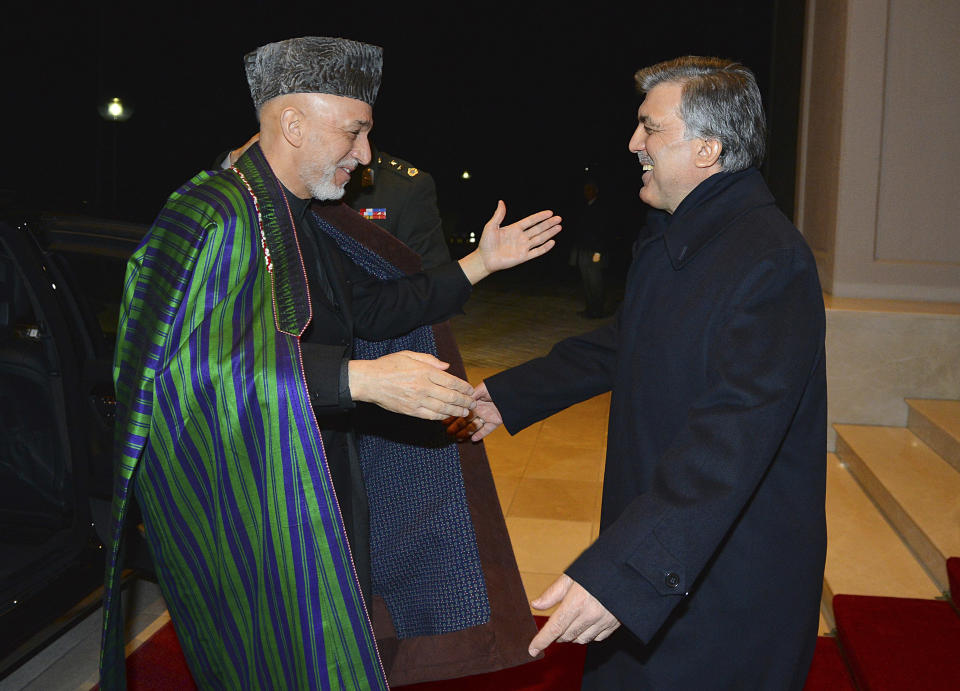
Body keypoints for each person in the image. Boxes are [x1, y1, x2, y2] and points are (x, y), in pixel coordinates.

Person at [99, 36, 561, 690]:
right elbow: (187, 373)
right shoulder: (213, 214)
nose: (366, 153)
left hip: (321, 478)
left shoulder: (303, 214)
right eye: (355, 131)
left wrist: (480, 263)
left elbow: (366, 310)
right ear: (293, 123)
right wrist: (359, 378)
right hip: (256, 503)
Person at [453, 55, 827, 689]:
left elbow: (730, 444)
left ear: (708, 148)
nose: (633, 144)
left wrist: (626, 573)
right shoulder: (671, 235)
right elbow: (624, 344)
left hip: (720, 566)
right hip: (660, 531)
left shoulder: (771, 261)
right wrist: (506, 397)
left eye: (649, 128)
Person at [221, 138, 452, 270]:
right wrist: (236, 161)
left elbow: (430, 281)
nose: (363, 154)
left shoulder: (402, 187)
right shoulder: (282, 171)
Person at [571, 176, 613, 318]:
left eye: (589, 189)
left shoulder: (601, 208)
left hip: (595, 251)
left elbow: (604, 231)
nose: (587, 192)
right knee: (587, 280)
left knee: (595, 281)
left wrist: (598, 251)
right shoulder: (585, 207)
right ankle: (590, 308)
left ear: (596, 191)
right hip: (584, 250)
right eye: (585, 190)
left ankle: (597, 310)